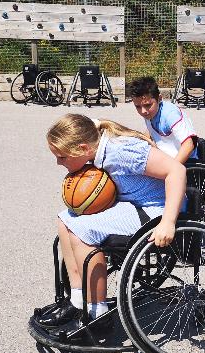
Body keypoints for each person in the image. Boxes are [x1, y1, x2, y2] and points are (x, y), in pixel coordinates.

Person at [35, 113, 187, 341]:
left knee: (84, 230)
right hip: (134, 203)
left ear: (83, 148)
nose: (59, 163)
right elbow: (92, 124)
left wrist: (168, 222)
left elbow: (177, 170)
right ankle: (78, 301)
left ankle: (97, 316)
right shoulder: (97, 143)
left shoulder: (121, 151)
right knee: (65, 218)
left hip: (156, 209)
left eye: (62, 157)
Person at [127, 76, 198, 164]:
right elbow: (150, 131)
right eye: (138, 106)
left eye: (148, 105)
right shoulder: (151, 112)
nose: (143, 111)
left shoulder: (170, 115)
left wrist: (173, 169)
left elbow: (188, 145)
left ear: (159, 99)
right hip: (166, 157)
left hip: (185, 160)